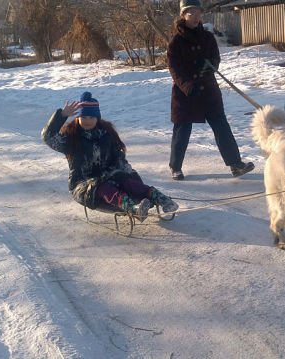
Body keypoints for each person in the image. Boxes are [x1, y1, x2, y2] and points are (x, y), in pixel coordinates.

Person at [41, 91, 179, 221]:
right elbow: (48, 137)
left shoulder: (106, 135)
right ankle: (133, 208)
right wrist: (61, 116)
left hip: (111, 174)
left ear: (98, 118)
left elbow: (118, 157)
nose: (87, 120)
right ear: (77, 119)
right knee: (105, 189)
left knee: (129, 183)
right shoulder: (71, 139)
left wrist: (127, 173)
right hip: (84, 183)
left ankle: (162, 199)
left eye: (91, 117)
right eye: (83, 117)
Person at [167, 0, 255, 181]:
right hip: (187, 94)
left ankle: (235, 164)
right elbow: (174, 68)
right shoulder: (176, 41)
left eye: (198, 13)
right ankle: (175, 167)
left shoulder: (207, 37)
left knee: (221, 126)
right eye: (191, 13)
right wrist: (187, 86)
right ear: (183, 15)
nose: (195, 16)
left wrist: (210, 66)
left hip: (208, 90)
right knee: (182, 130)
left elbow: (215, 57)